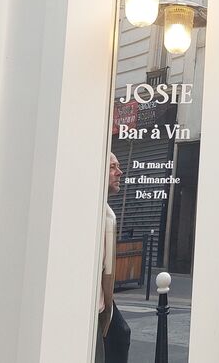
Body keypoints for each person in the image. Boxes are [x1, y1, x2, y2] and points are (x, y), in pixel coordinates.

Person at [96, 153, 130, 363]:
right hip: (95, 304)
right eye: (112, 167)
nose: (119, 172)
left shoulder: (106, 213)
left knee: (119, 333)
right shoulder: (95, 214)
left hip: (102, 303)